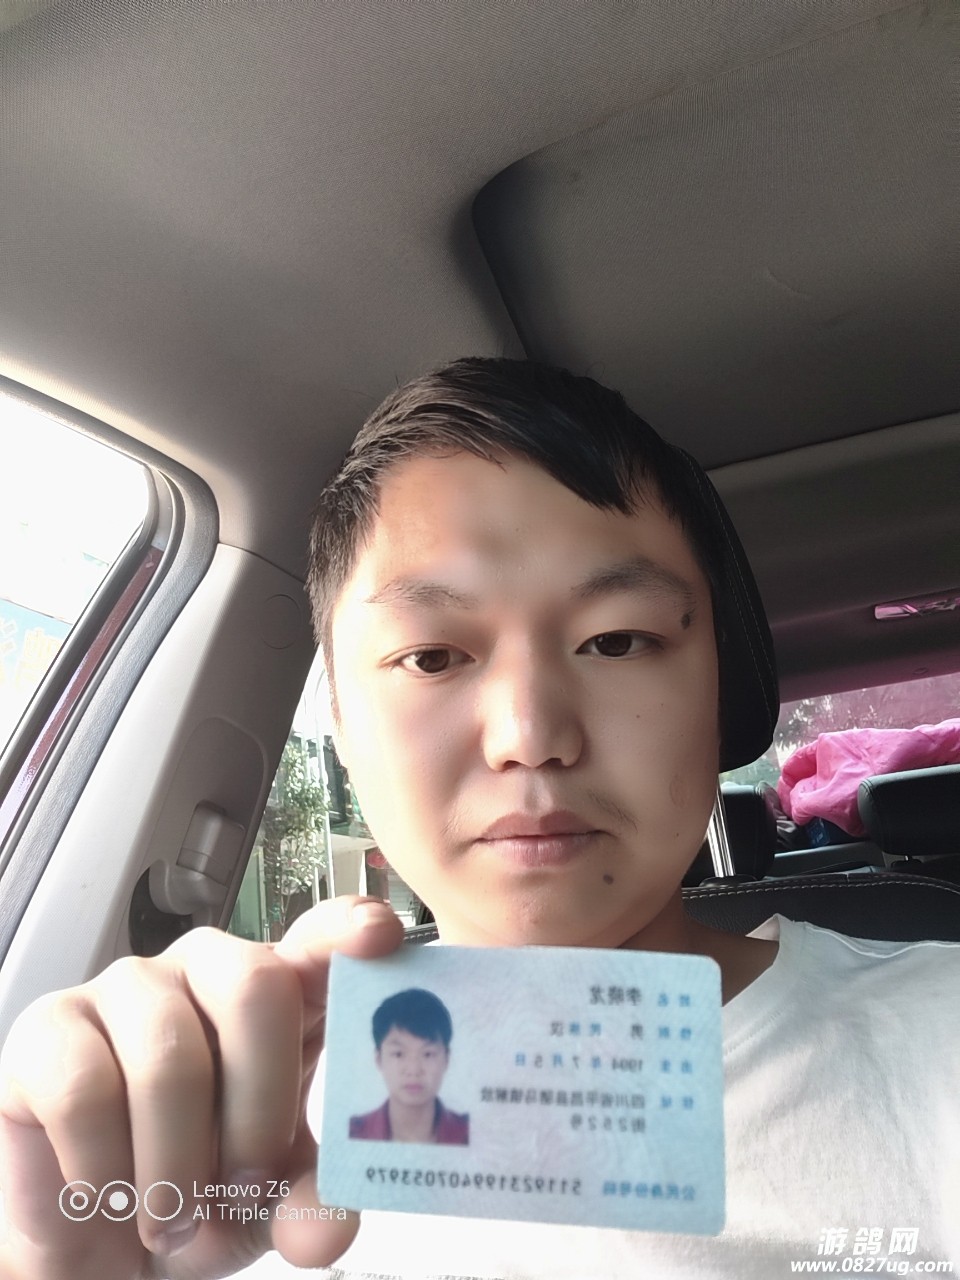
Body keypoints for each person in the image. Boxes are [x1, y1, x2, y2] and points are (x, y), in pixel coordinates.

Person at [0, 357, 957, 1280]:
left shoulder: (934, 1042)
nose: (530, 736)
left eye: (616, 640)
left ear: (721, 698)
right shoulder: (214, 1147)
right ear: (339, 720)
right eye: (431, 658)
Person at [348, 988, 469, 1145]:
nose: (413, 1070)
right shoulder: (354, 1134)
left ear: (446, 1059)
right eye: (399, 1054)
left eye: (428, 1054)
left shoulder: (470, 1133)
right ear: (379, 1059)